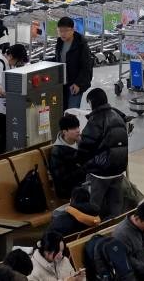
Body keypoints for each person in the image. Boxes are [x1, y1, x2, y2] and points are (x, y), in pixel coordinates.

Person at [77, 87, 129, 218]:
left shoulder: (95, 121)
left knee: (93, 208)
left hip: (100, 173)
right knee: (116, 208)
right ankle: (113, 232)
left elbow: (85, 148)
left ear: (93, 102)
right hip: (118, 170)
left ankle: (94, 234)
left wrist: (84, 165)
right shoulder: (118, 116)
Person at [54, 16, 93, 110]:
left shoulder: (81, 44)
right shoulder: (60, 42)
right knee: (61, 109)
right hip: (63, 83)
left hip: (75, 84)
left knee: (72, 111)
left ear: (72, 30)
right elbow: (59, 59)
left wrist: (78, 84)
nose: (62, 33)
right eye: (60, 31)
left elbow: (86, 67)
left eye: (66, 30)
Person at [48, 113, 85, 199]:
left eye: (78, 127)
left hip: (83, 183)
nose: (78, 130)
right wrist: (83, 169)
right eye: (73, 128)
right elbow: (61, 179)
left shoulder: (81, 143)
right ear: (64, 132)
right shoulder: (57, 151)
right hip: (70, 190)